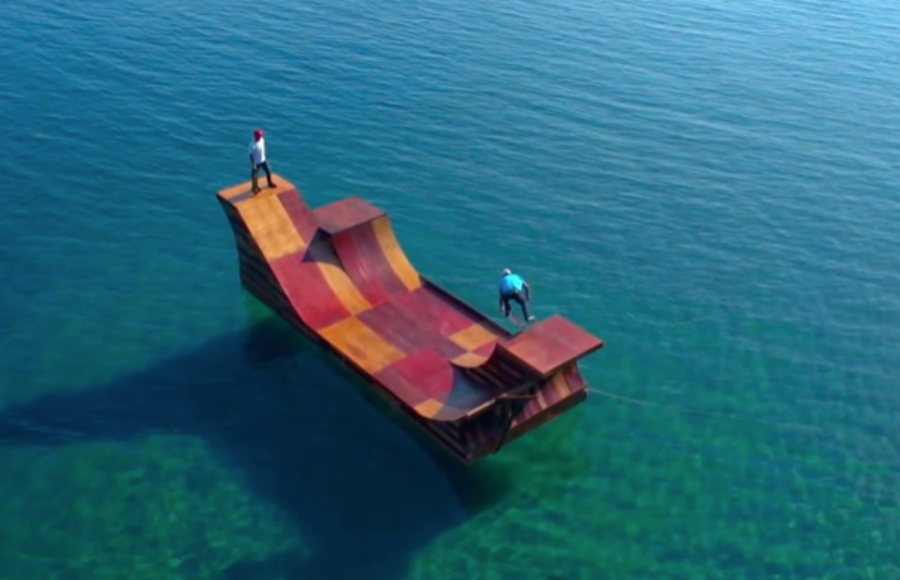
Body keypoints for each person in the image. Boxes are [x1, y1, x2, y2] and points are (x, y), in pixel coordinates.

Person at [248, 128, 276, 193]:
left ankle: (269, 183)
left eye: (260, 136)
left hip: (263, 160)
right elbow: (251, 155)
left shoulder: (262, 140)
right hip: (256, 163)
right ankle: (255, 188)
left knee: (268, 171)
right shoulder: (252, 145)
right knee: (255, 176)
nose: (260, 137)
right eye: (259, 136)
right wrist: (253, 164)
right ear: (255, 136)